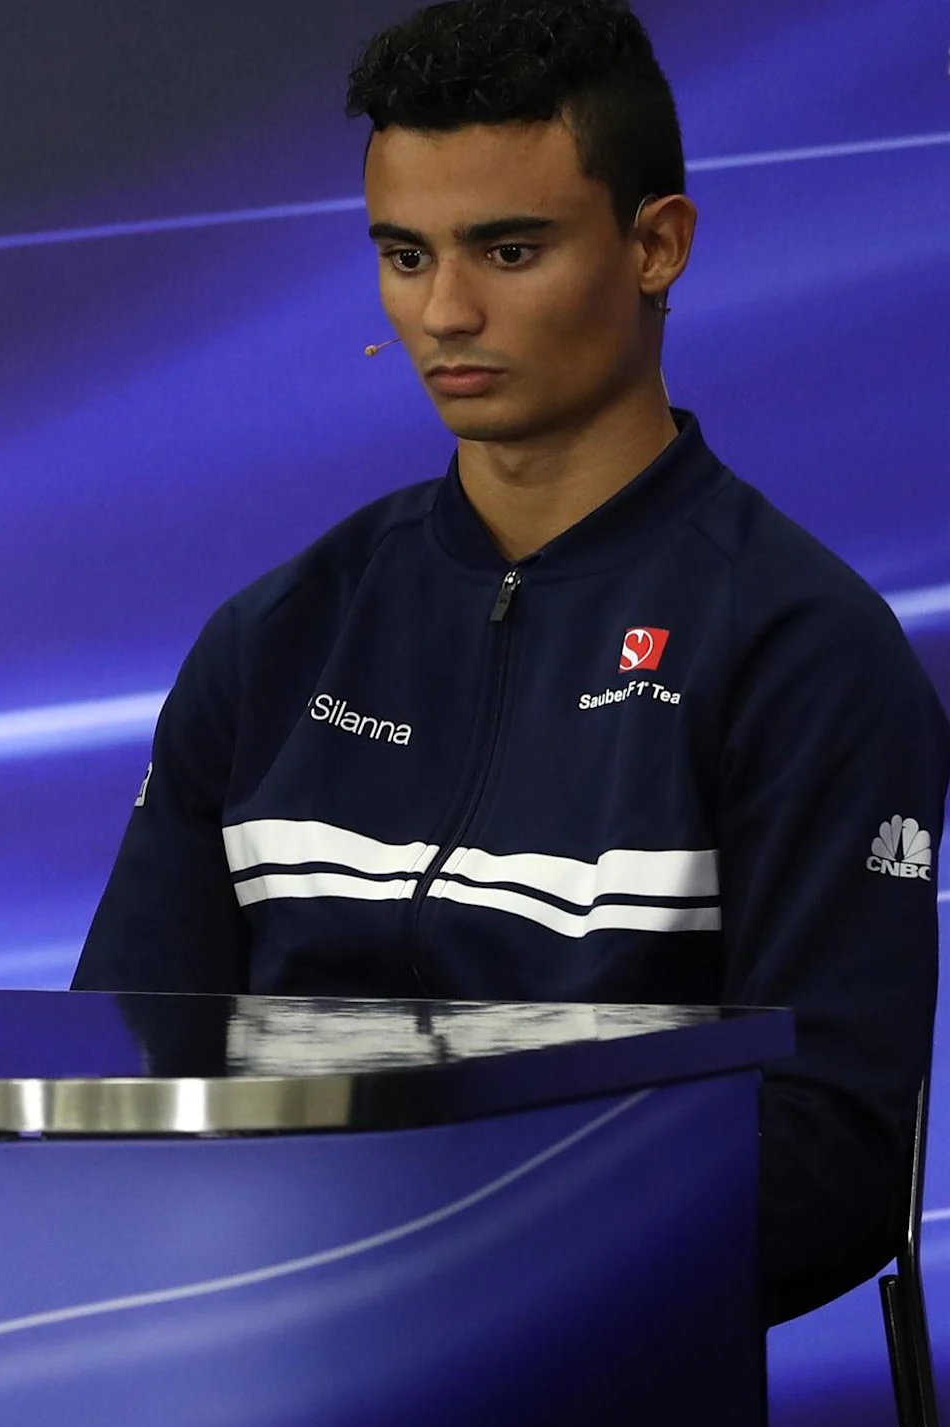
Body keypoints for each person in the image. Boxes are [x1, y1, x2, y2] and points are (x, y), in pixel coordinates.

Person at [77, 0, 948, 1322]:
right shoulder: (275, 638)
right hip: (240, 1366)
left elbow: (825, 1170)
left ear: (657, 245)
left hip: (594, 1395)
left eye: (510, 248)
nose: (447, 312)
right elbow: (115, 1076)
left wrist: (437, 1270)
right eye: (405, 255)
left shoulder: (803, 649)